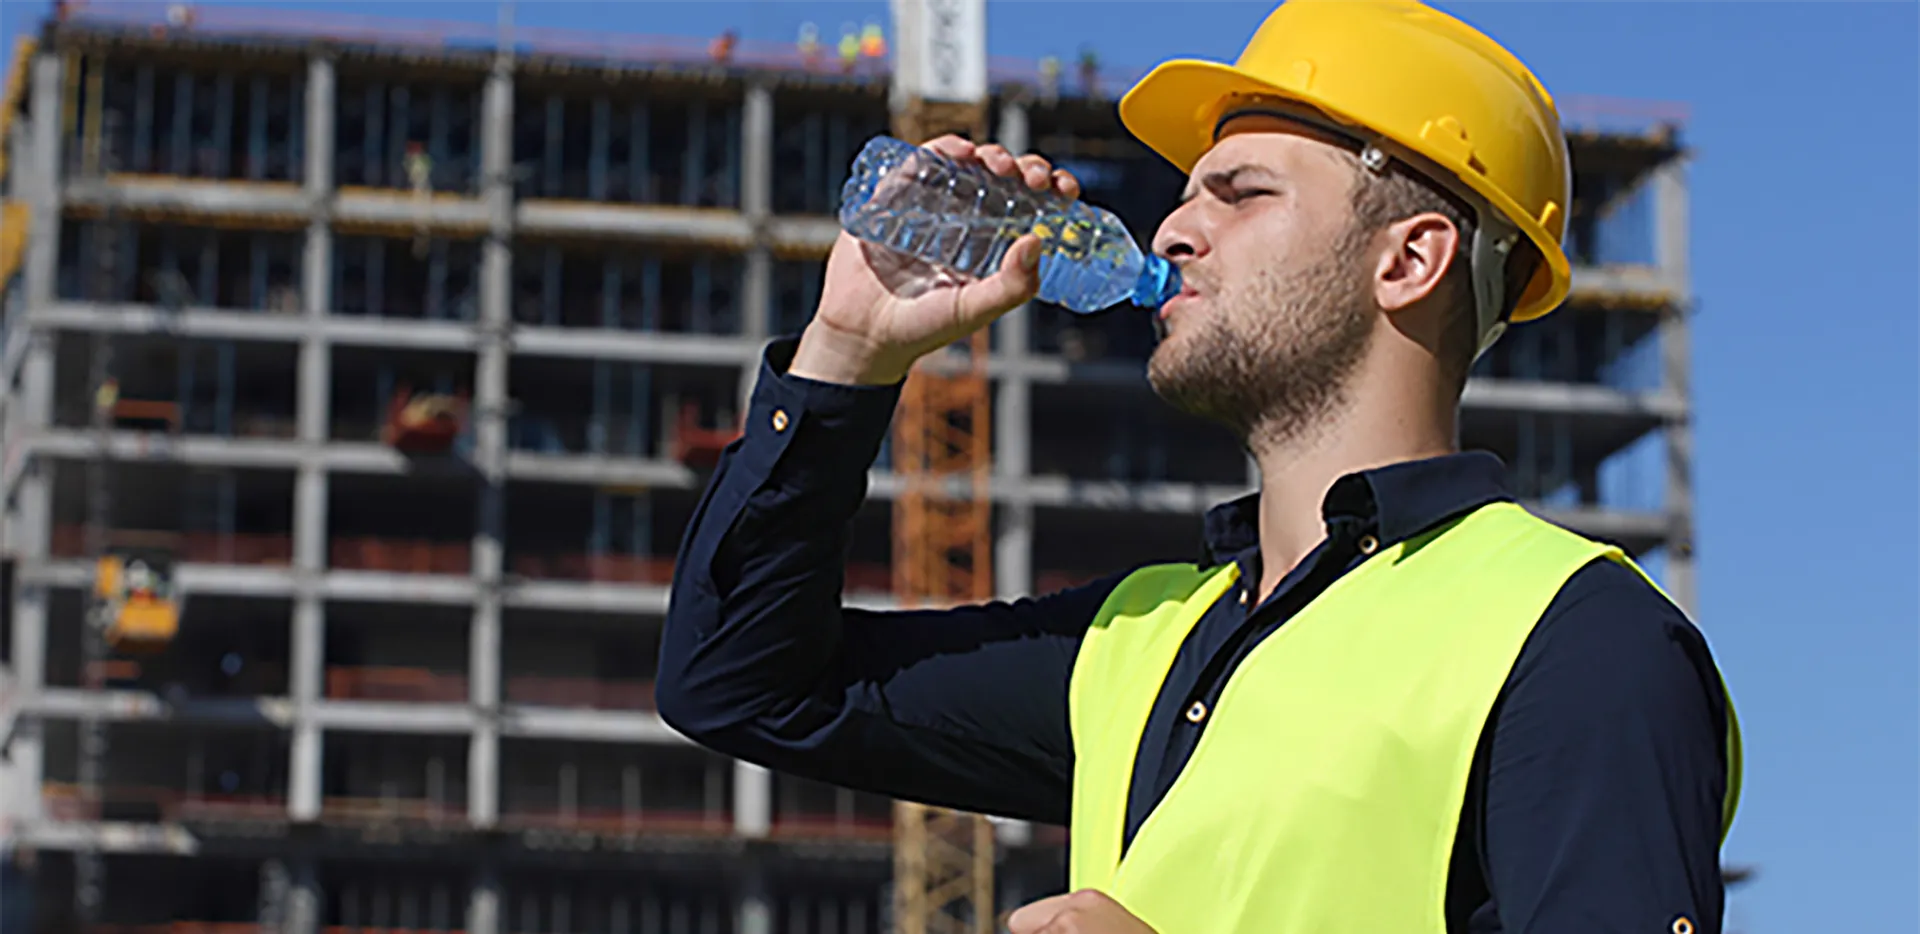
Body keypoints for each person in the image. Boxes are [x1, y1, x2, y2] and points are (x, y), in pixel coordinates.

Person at [658, 0, 1742, 931]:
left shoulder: (1577, 637)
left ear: (1409, 259)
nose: (1173, 227)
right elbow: (744, 684)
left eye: (1242, 192)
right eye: (1187, 192)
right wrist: (847, 352)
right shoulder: (1143, 641)